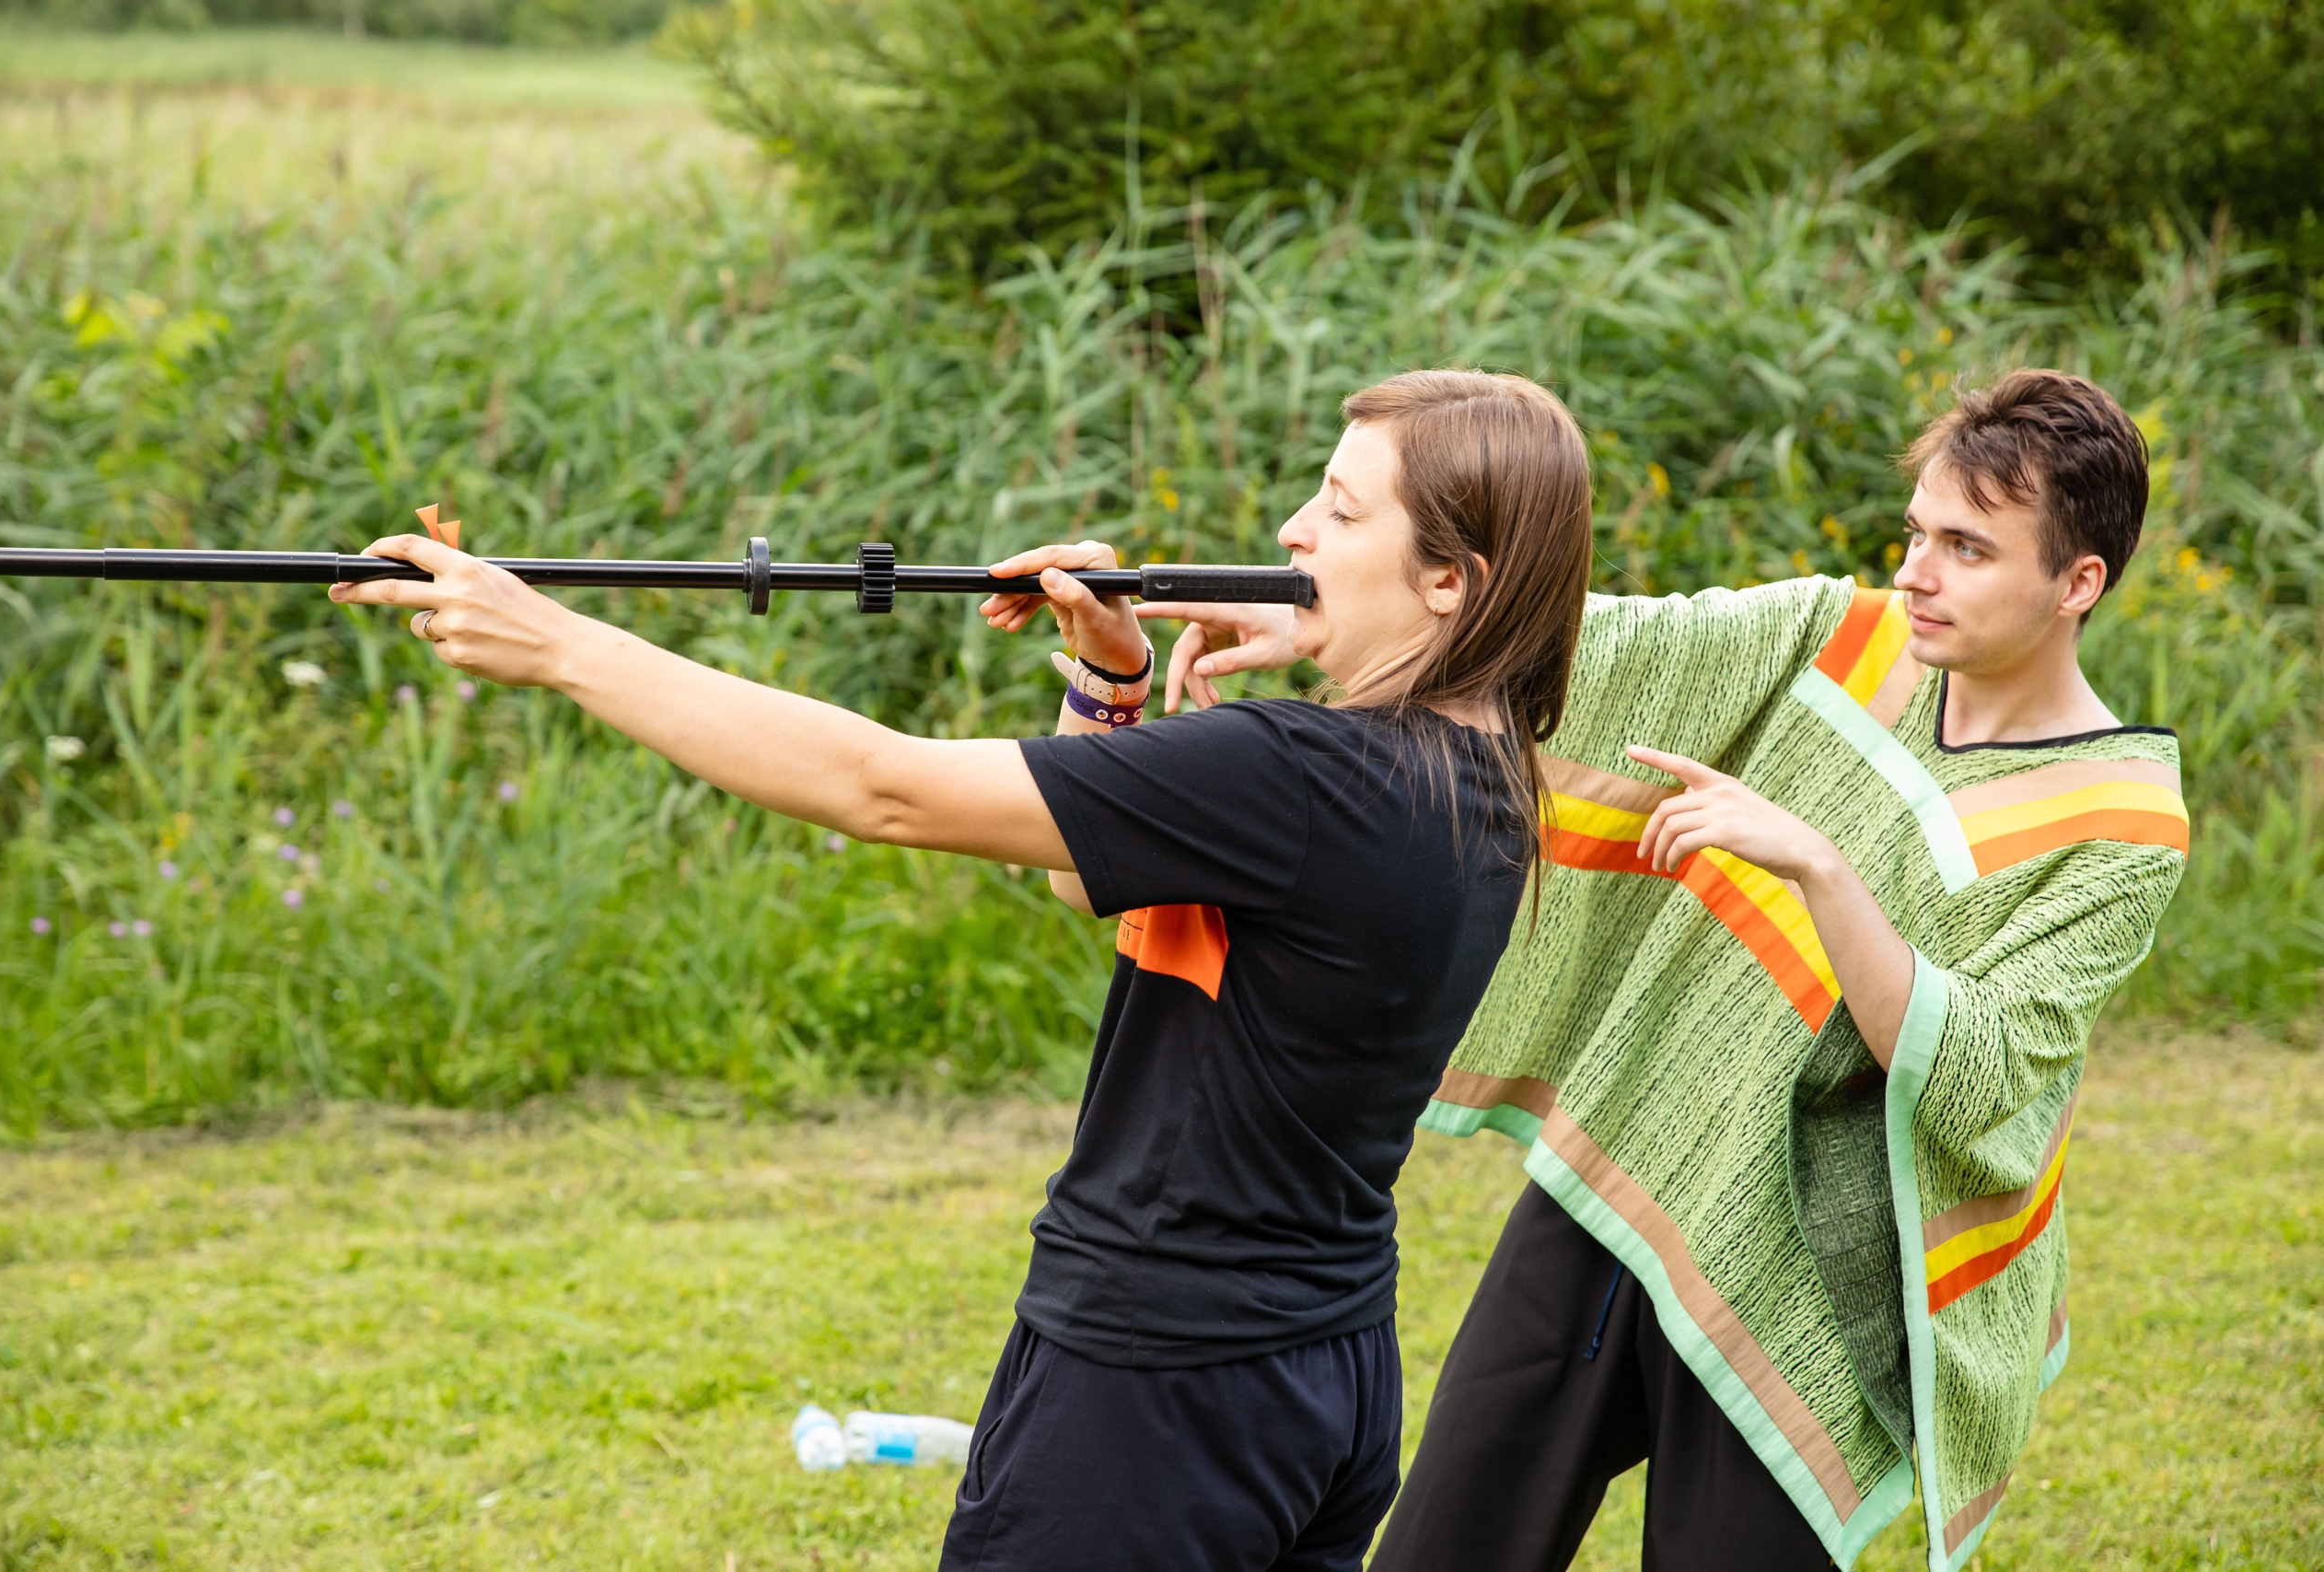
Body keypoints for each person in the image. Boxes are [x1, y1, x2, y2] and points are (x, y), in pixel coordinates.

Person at [324, 367, 1596, 1571]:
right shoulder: (1477, 780)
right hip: (1322, 1376)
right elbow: (1085, 872)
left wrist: (554, 643)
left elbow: (887, 789)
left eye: (1339, 508)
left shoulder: (1301, 775)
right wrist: (1111, 676)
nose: (1291, 531)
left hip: (1153, 1383)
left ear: (1448, 582)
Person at [1145, 369, 2189, 1572]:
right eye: (1916, 533)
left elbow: (1986, 1078)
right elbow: (1580, 653)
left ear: (2079, 582)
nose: (1915, 573)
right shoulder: (1840, 638)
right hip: (1622, 1174)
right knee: (1439, 1549)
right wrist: (1332, 617)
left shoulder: (2121, 821)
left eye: (1967, 548)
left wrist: (1823, 873)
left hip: (1815, 1298)